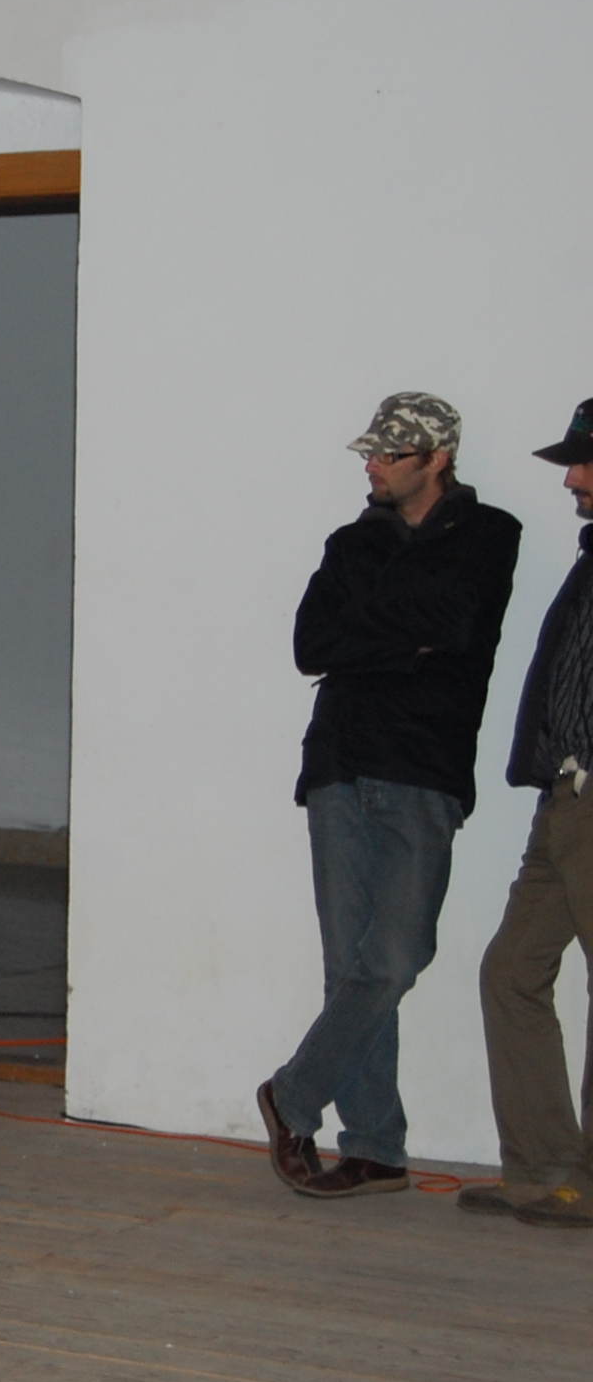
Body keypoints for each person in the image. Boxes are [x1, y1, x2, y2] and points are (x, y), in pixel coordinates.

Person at [256, 392, 519, 1197]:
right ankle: (374, 1148)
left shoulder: (490, 534)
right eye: (370, 451)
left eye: (389, 454)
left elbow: (459, 627)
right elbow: (312, 645)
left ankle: (292, 1095)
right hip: (338, 760)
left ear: (437, 459)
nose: (370, 464)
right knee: (351, 968)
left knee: (397, 957)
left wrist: (371, 635)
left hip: (424, 768)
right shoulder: (351, 542)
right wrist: (408, 643)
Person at [465, 398, 593, 1228]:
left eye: (584, 463)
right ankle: (547, 1170)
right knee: (511, 971)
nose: (572, 478)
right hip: (566, 797)